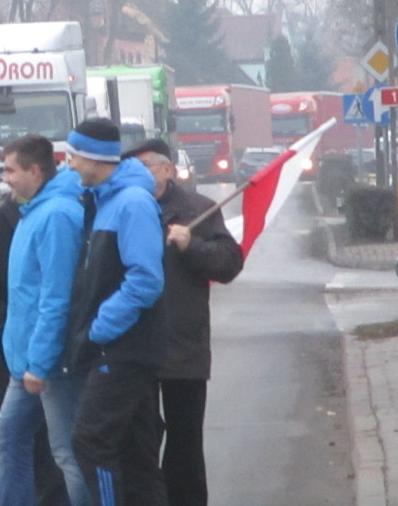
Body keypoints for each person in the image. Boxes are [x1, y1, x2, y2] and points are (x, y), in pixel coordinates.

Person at [125, 139, 244, 506]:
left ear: (166, 169)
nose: (138, 174)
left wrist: (191, 245)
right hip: (132, 347)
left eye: (145, 166)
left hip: (183, 347)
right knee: (137, 442)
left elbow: (229, 264)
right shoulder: (124, 209)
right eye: (132, 167)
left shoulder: (198, 209)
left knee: (184, 442)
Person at [62, 118, 166, 506]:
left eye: (74, 156)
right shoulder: (102, 199)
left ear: (94, 158)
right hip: (120, 347)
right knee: (137, 455)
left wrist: (99, 329)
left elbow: (145, 280)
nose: (68, 164)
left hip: (122, 348)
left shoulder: (132, 204)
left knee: (90, 440)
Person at [0, 134, 90, 506]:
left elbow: (57, 295)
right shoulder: (36, 210)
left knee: (68, 451)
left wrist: (41, 361)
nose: (7, 179)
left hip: (49, 361)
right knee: (9, 436)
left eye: (11, 170)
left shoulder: (56, 215)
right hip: (31, 359)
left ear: (35, 171)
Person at [0, 193, 70, 506]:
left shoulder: (58, 221)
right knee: (5, 444)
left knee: (48, 449)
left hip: (52, 358)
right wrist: (18, 340)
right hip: (5, 361)